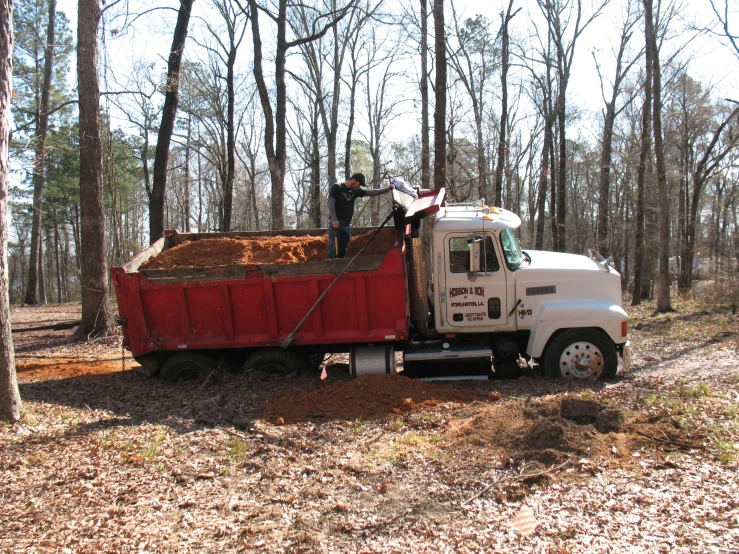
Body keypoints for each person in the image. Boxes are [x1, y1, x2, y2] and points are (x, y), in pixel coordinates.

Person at [327, 173, 394, 258]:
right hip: (336, 223)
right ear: (353, 180)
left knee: (343, 250)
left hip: (347, 224)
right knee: (333, 250)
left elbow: (371, 192)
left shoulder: (356, 191)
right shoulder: (337, 187)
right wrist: (334, 220)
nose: (359, 187)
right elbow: (330, 204)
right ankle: (331, 268)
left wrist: (387, 189)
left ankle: (340, 267)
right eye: (359, 184)